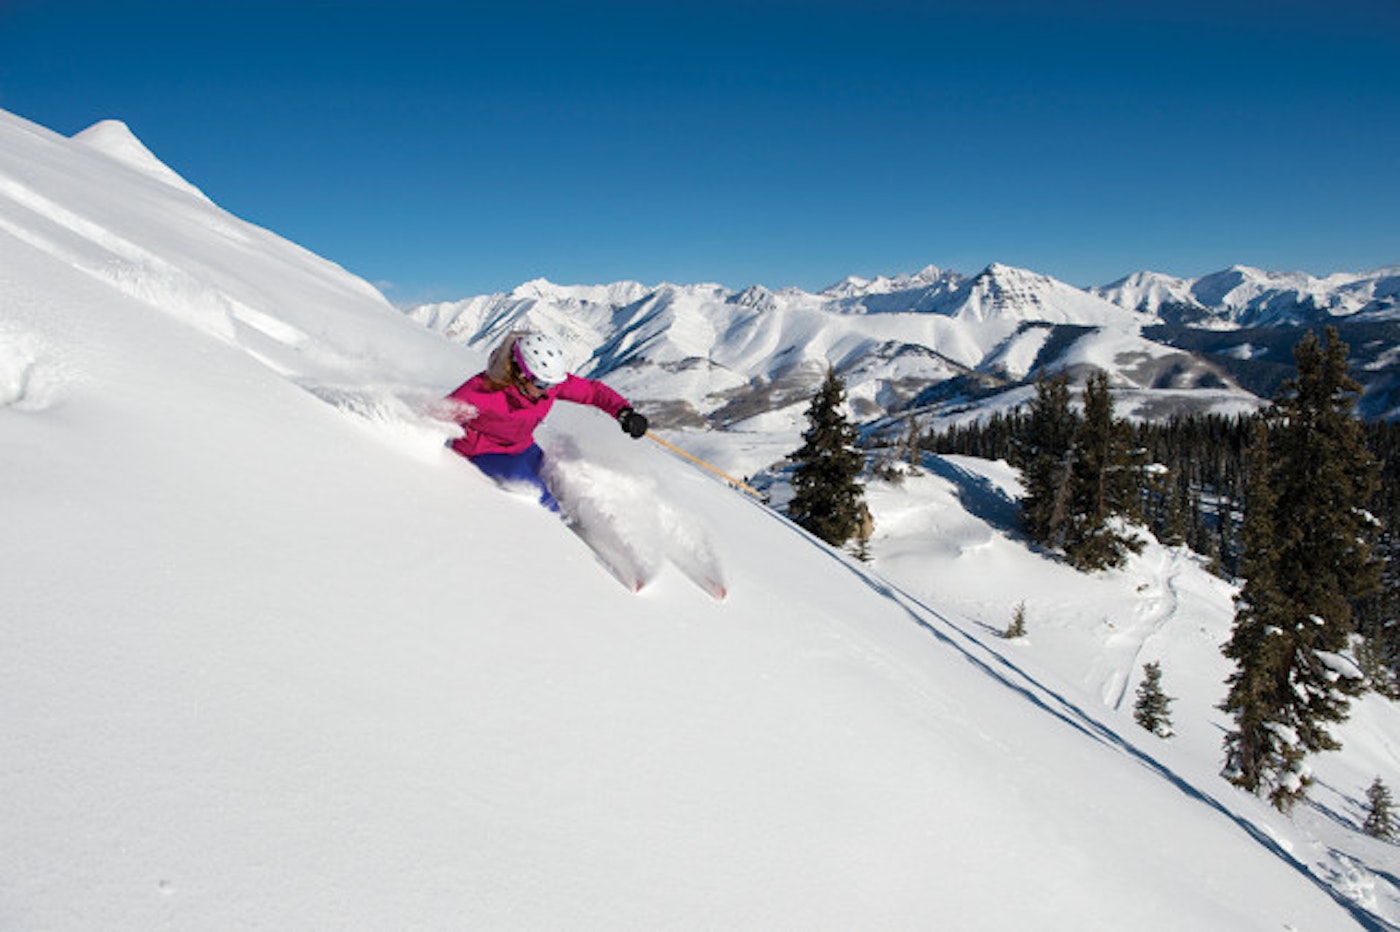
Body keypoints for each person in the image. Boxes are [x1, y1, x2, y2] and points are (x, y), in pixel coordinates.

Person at [444, 331, 649, 512]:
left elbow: (592, 392)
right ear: (520, 373)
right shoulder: (481, 391)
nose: (549, 389)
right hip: (483, 452)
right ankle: (560, 536)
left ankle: (586, 522)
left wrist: (624, 412)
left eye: (553, 383)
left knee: (561, 480)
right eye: (543, 383)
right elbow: (436, 417)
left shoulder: (547, 386)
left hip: (522, 447)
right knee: (537, 493)